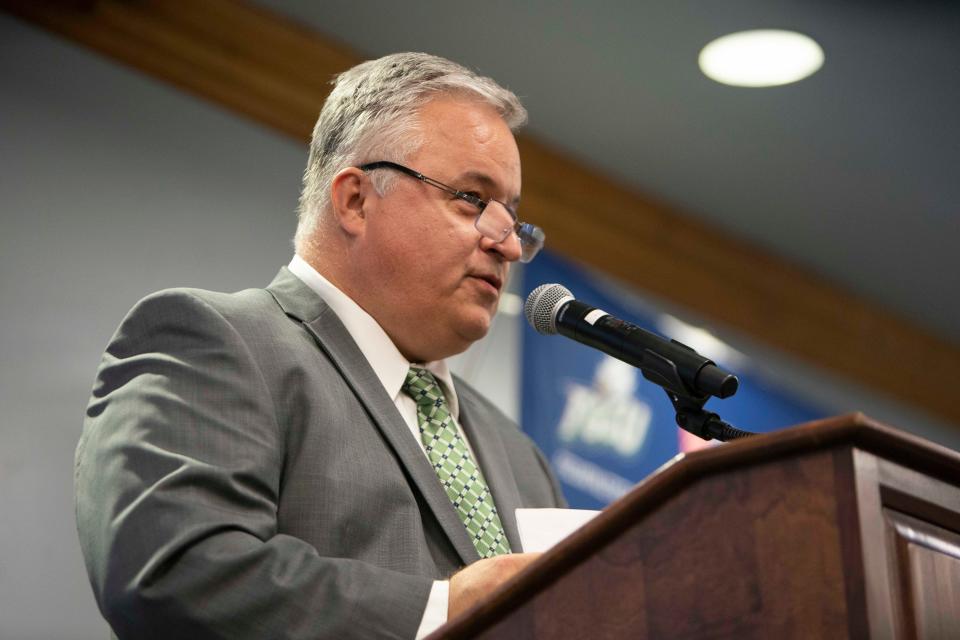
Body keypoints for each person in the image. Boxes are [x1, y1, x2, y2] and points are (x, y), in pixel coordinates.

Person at [75, 52, 566, 639]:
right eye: (471, 199)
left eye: (513, 218)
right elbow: (177, 571)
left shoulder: (522, 457)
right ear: (355, 199)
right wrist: (445, 611)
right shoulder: (213, 340)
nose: (508, 245)